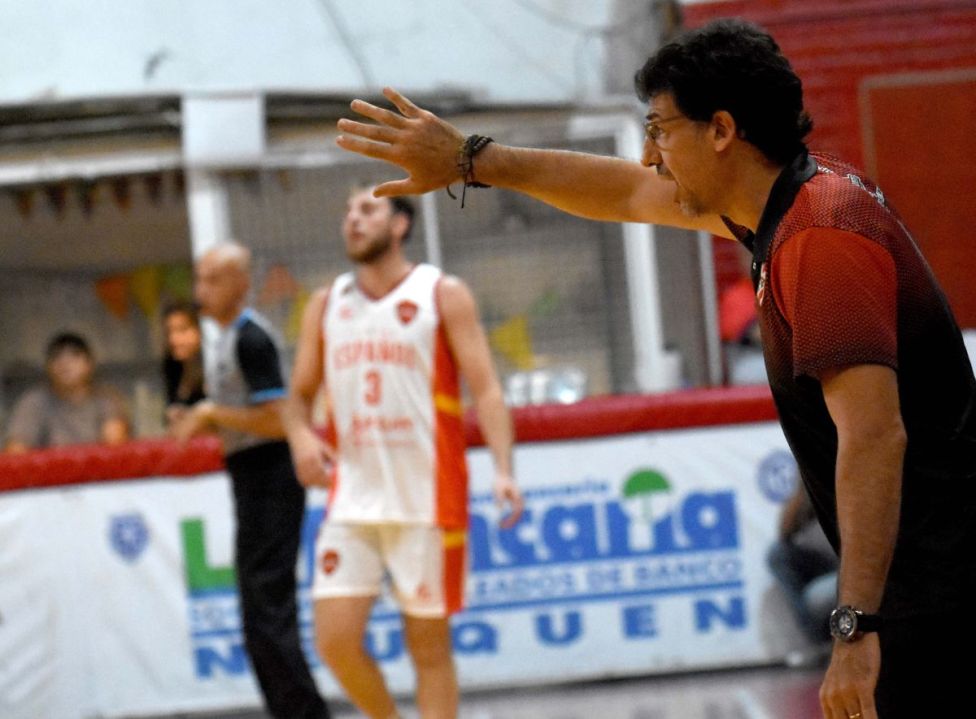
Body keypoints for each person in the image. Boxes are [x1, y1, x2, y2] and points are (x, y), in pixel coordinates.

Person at [333, 19, 976, 719]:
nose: (648, 155)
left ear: (721, 129)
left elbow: (875, 438)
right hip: (926, 584)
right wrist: (471, 160)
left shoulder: (819, 235)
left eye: (660, 131)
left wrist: (854, 625)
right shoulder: (789, 207)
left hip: (941, 595)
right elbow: (621, 193)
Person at [283, 186, 523, 719]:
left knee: (428, 650)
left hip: (426, 499)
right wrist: (301, 439)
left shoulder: (442, 294)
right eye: (347, 211)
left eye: (367, 209)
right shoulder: (325, 304)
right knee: (334, 642)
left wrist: (504, 469)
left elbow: (486, 389)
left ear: (400, 224)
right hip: (352, 498)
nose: (352, 219)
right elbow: (297, 398)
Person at [171, 243, 331, 719]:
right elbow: (247, 417)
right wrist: (202, 419)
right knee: (258, 613)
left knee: (268, 610)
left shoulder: (252, 339)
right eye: (199, 279)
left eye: (212, 279)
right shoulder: (223, 340)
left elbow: (281, 419)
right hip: (250, 476)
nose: (201, 290)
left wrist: (212, 413)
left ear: (240, 284)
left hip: (272, 477)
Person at [4, 332, 129, 453]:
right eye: (56, 357)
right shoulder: (33, 402)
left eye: (74, 355)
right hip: (50, 468)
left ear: (90, 364)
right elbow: (16, 451)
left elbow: (115, 448)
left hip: (96, 467)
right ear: (47, 366)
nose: (65, 363)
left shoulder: (105, 400)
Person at [767, 483, 838, 665]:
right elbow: (784, 532)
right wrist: (805, 489)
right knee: (777, 554)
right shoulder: (806, 495)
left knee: (818, 595)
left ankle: (836, 641)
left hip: (853, 567)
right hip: (828, 567)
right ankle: (818, 643)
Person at [161, 299, 206, 428]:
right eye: (169, 332)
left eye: (182, 330)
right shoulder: (172, 365)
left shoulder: (212, 367)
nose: (173, 339)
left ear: (200, 330)